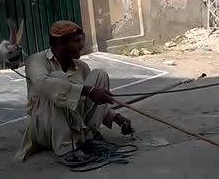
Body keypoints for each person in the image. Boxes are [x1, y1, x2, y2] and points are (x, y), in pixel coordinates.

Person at [14, 20, 134, 162]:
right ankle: (66, 149)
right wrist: (88, 90)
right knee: (57, 80)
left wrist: (116, 118)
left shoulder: (81, 67)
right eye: (77, 41)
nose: (82, 46)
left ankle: (87, 139)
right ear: (60, 42)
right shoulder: (36, 61)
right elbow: (44, 84)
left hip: (76, 128)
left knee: (99, 75)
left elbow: (88, 100)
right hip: (45, 129)